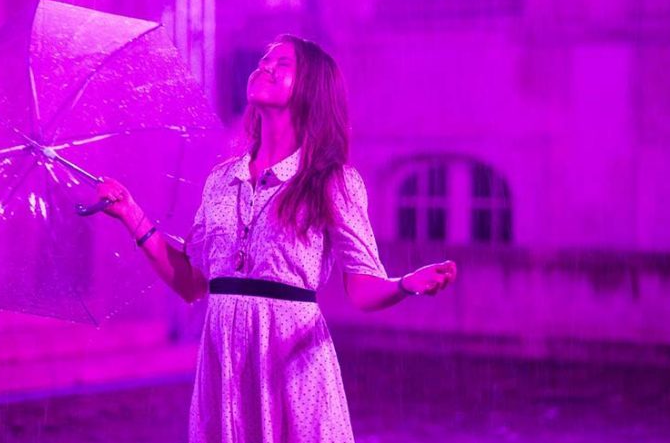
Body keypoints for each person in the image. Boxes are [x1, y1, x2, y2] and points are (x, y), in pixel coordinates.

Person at [97, 34, 457, 442]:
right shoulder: (221, 180)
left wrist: (404, 285)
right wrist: (131, 214)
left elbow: (361, 288)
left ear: (310, 90)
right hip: (225, 367)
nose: (264, 65)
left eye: (282, 63)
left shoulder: (331, 182)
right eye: (264, 58)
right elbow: (191, 282)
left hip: (291, 365)